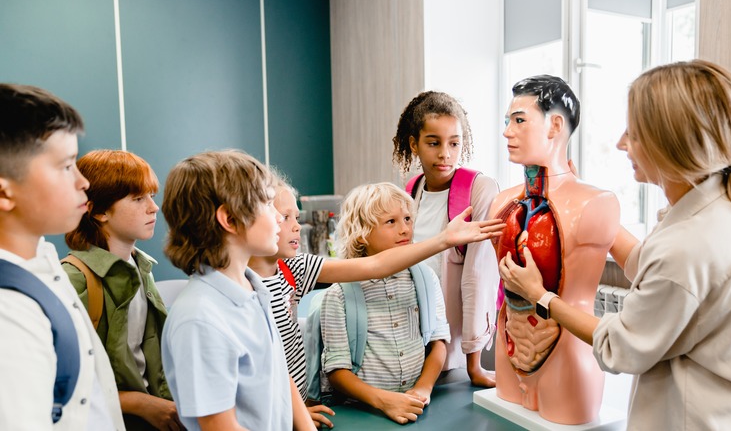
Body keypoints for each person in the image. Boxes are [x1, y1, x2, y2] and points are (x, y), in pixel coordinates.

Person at [499, 60, 731, 428]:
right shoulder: (717, 213)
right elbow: (649, 264)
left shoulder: (691, 243)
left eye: (633, 132)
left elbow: (621, 348)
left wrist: (541, 296)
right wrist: (584, 212)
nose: (620, 143)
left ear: (670, 141)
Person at [247, 169, 506, 427]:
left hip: (293, 408)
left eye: (407, 219)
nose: (297, 225)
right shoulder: (248, 289)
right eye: (283, 216)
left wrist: (299, 410)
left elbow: (377, 266)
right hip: (272, 415)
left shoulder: (295, 268)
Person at [487, 75, 620, 424]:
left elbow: (644, 264)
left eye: (519, 120)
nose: (506, 132)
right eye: (506, 122)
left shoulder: (594, 204)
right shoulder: (502, 203)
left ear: (554, 126)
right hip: (508, 346)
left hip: (566, 354)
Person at [159, 150, 315, 430]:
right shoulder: (200, 319)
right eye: (268, 204)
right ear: (229, 219)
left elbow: (279, 373)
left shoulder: (255, 288)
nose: (279, 219)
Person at [0, 83, 125, 429]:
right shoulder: (8, 313)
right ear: (3, 192)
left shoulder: (41, 256)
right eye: (66, 166)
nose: (83, 182)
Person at [62, 150, 182, 430]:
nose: (154, 207)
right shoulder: (73, 279)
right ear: (99, 210)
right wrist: (140, 403)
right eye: (138, 198)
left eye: (151, 196)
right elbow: (66, 380)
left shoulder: (141, 269)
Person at [392, 91, 500, 387]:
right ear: (414, 144)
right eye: (433, 143)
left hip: (457, 353)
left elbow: (478, 276)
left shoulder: (480, 189)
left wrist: (474, 365)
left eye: (454, 143)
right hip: (417, 343)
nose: (445, 154)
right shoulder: (411, 189)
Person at [319, 183, 450, 425]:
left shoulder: (426, 278)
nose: (405, 229)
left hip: (416, 409)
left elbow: (438, 342)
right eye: (391, 222)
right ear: (362, 233)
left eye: (408, 218)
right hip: (362, 413)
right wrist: (384, 401)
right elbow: (337, 372)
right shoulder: (338, 295)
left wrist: (423, 388)